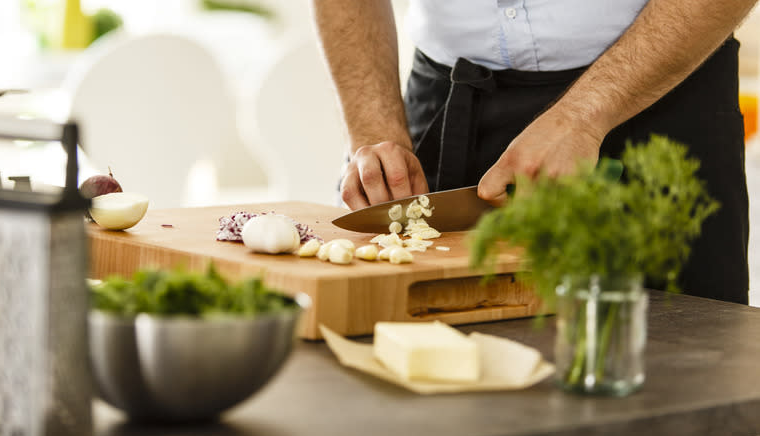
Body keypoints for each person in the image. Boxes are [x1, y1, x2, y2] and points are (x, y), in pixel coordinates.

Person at [311, 0, 758, 304]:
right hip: (446, 110)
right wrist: (373, 129)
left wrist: (584, 116)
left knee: (672, 377)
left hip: (660, 94)